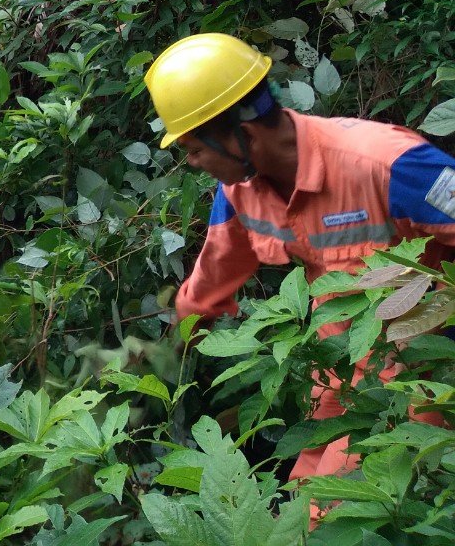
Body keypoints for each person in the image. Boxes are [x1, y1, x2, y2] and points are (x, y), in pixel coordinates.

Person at [144, 31, 455, 486]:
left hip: (414, 378)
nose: (191, 162)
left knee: (325, 518)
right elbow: (209, 285)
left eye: (194, 149)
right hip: (336, 372)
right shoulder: (239, 193)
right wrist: (159, 356)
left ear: (243, 136)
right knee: (300, 495)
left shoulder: (385, 163)